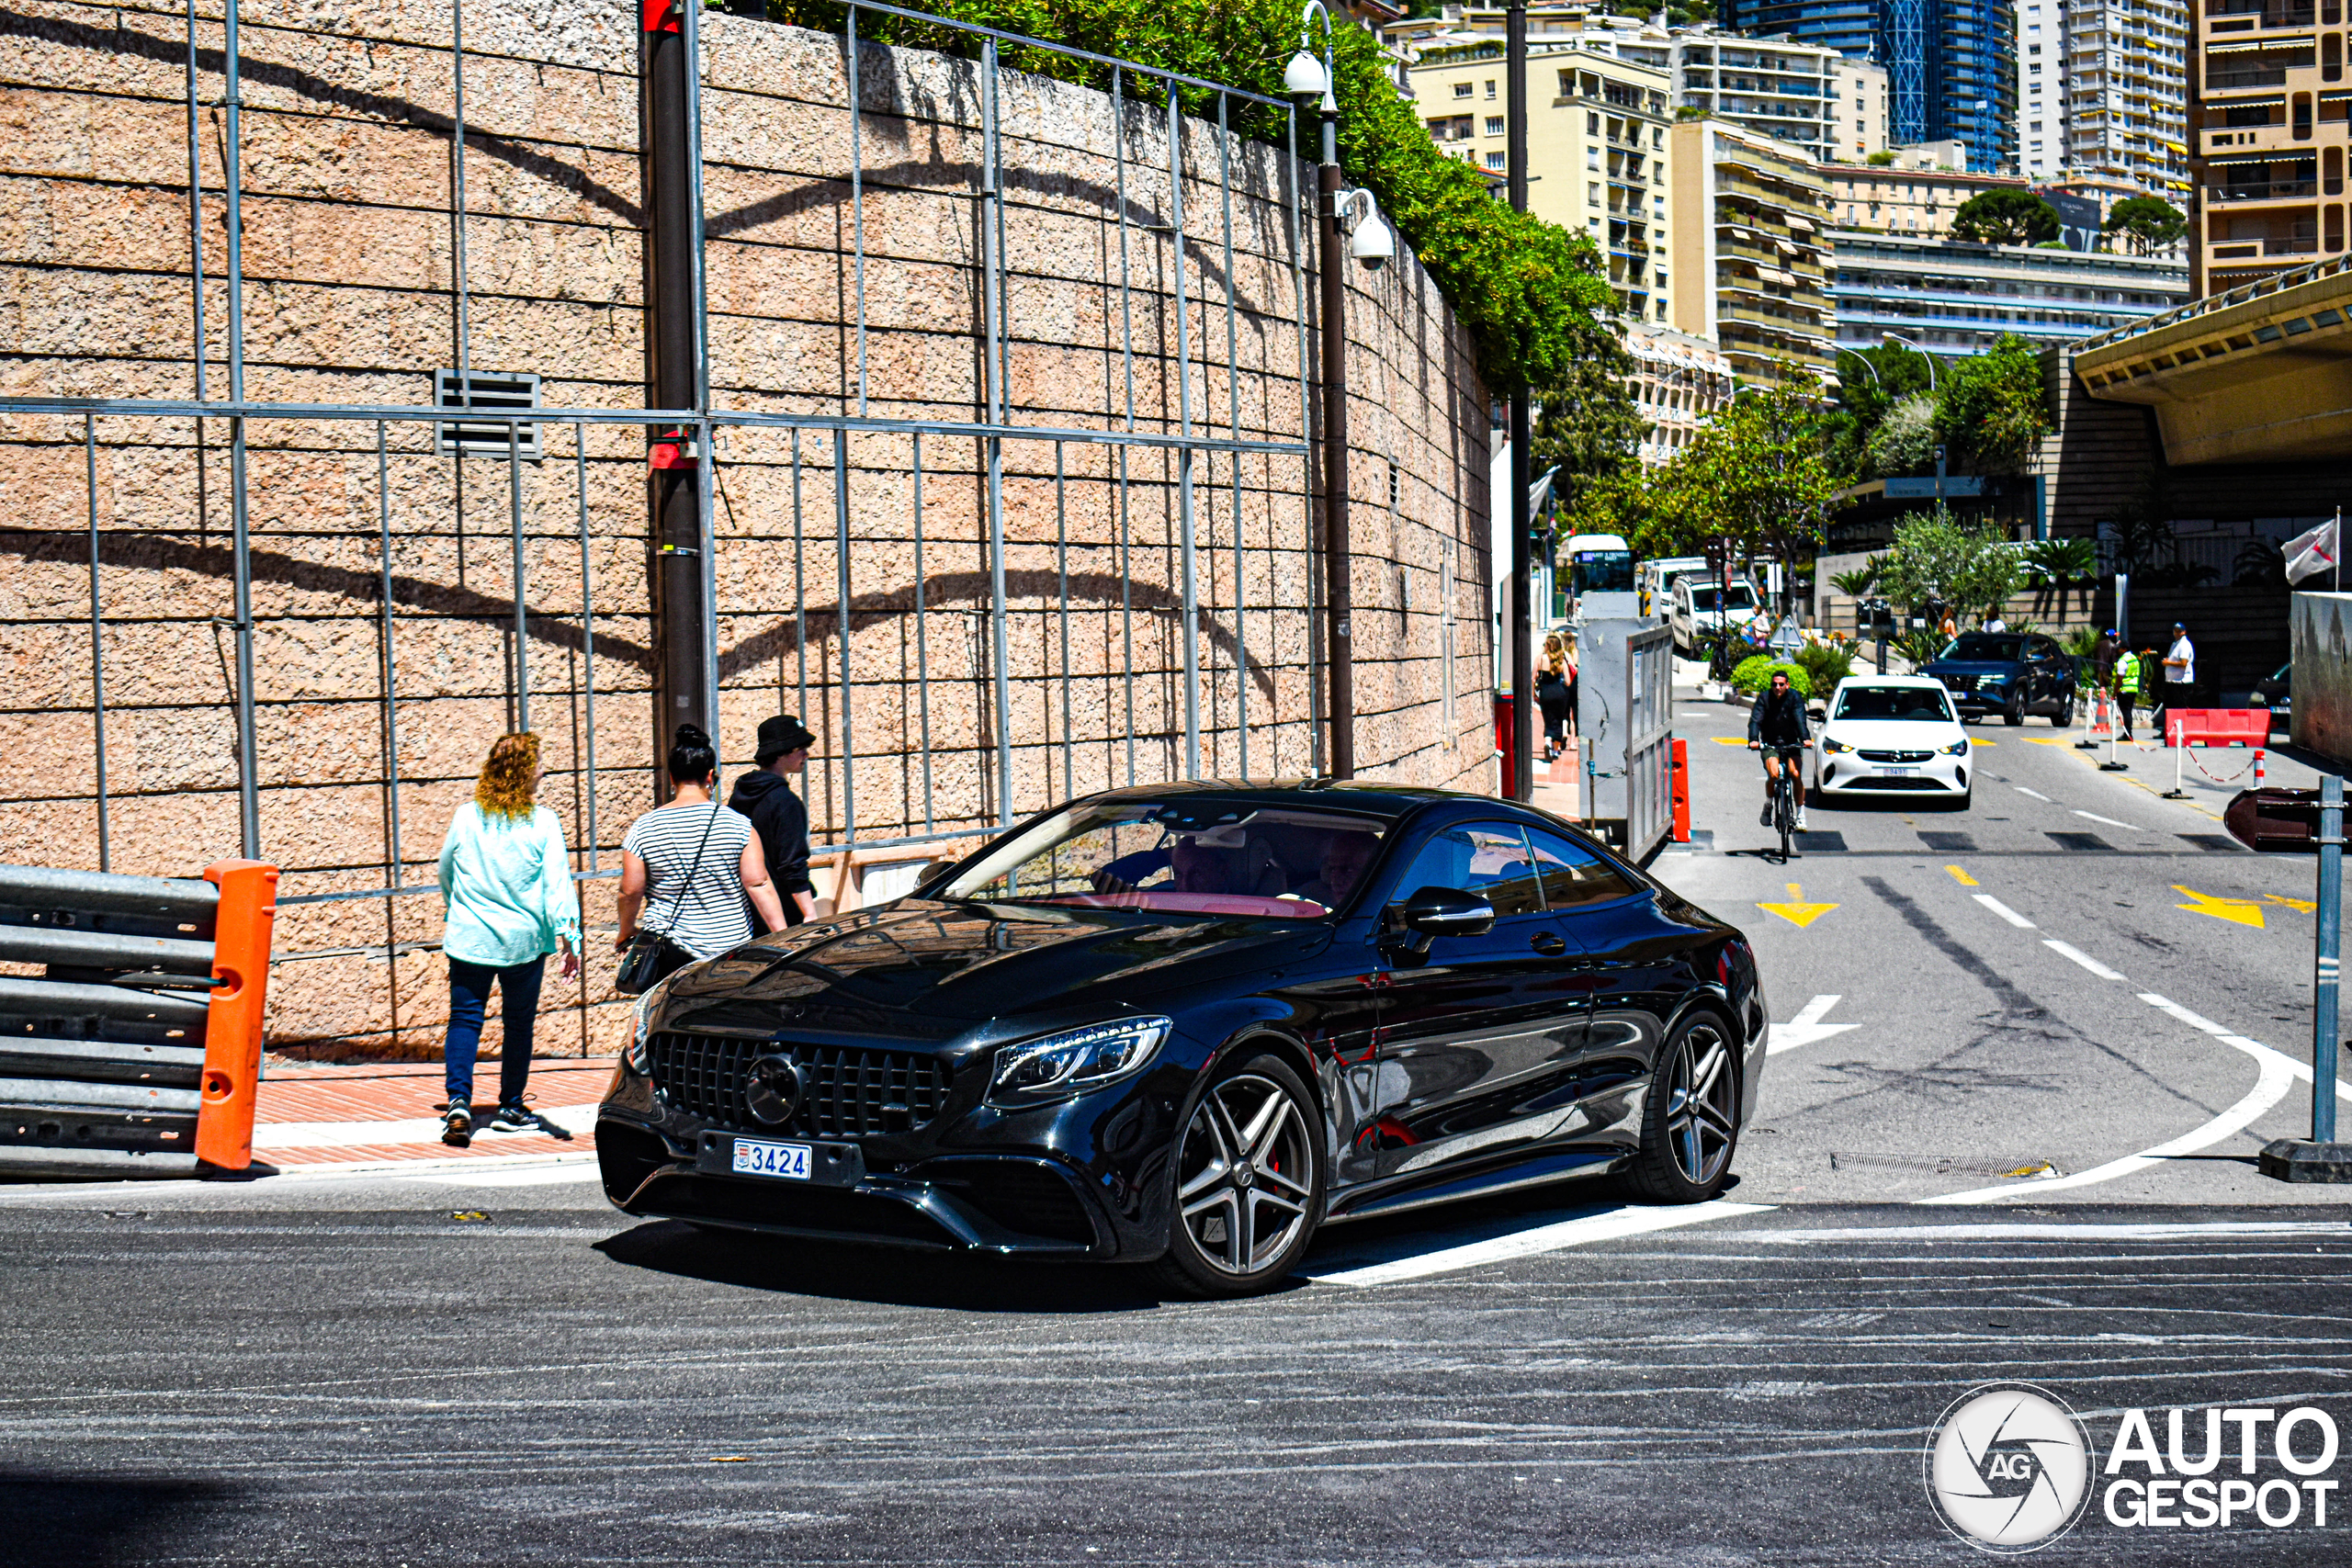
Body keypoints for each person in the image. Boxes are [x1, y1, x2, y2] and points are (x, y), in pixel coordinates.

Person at [435, 733, 582, 1147]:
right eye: (537, 764)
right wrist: (571, 938)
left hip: (470, 936)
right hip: (523, 942)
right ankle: (511, 1106)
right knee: (519, 1024)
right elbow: (557, 884)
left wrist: (456, 907)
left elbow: (445, 869)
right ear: (522, 772)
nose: (544, 770)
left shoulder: (467, 816)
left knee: (465, 1019)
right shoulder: (543, 822)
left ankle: (459, 1104)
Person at [616, 724, 788, 990]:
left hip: (670, 949)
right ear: (710, 776)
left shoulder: (645, 827)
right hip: (730, 948)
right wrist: (783, 938)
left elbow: (631, 890)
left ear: (672, 777)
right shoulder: (738, 824)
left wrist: (626, 931)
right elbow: (758, 884)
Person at [727, 714, 818, 930]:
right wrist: (810, 913)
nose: (807, 754)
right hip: (782, 915)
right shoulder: (786, 803)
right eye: (800, 748)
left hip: (745, 911)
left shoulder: (741, 794)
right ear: (781, 753)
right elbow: (792, 865)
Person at [1747, 667, 1810, 831]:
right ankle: (1768, 805)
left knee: (1795, 774)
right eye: (1774, 684)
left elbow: (1799, 718)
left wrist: (1805, 738)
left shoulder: (1795, 698)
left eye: (1781, 684)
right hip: (1770, 742)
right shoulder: (1764, 698)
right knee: (1774, 774)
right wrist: (1754, 740)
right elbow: (1756, 720)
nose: (1777, 688)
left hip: (1791, 742)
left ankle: (1801, 816)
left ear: (1787, 685)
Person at [1297, 830, 1381, 909]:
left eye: (1348, 870)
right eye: (1332, 869)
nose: (1336, 881)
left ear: (1374, 870)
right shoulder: (1310, 901)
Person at [1535, 634, 1572, 762]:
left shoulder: (1540, 659)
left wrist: (1534, 693)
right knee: (1558, 719)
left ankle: (1547, 741)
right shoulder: (1562, 661)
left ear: (1548, 646)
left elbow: (1533, 676)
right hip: (1560, 693)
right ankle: (1555, 751)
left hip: (1546, 692)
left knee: (1548, 719)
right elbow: (1568, 681)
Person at [2161, 621, 2197, 740]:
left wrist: (2168, 663)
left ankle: (2182, 731)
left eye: (2179, 631)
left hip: (2181, 682)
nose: (2176, 633)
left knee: (2180, 707)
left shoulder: (2185, 644)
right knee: (2169, 707)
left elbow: (2183, 663)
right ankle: (2167, 731)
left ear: (2184, 632)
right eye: (2175, 631)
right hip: (2172, 681)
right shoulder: (2175, 644)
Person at [2110, 642, 2140, 742]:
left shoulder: (2123, 660)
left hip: (2124, 689)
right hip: (2133, 689)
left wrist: (2115, 692)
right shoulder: (2134, 659)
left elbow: (2120, 677)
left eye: (2119, 649)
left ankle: (2128, 734)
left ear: (2124, 649)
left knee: (2125, 712)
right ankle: (2128, 733)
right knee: (2128, 712)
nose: (2117, 651)